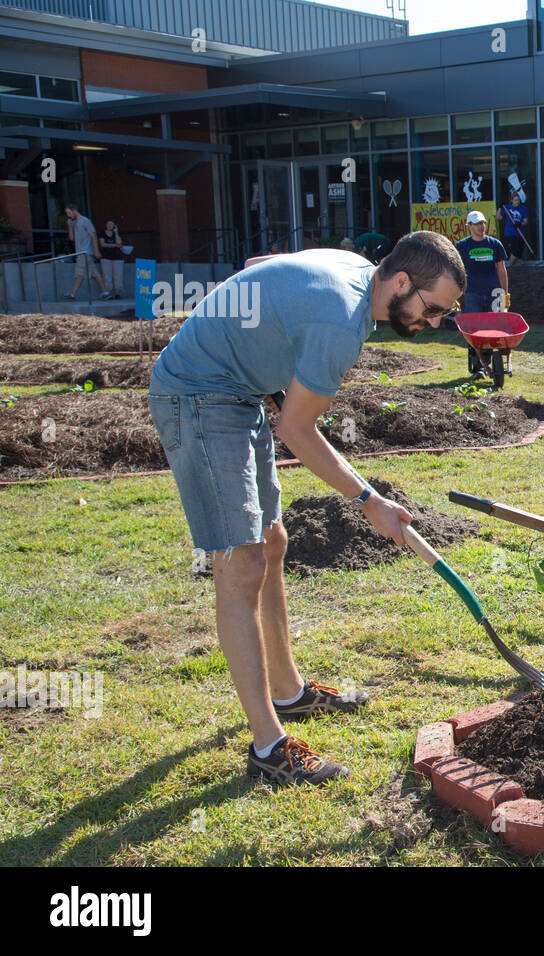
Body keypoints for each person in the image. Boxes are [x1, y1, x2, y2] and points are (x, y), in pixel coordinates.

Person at [147, 232, 466, 786]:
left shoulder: (355, 269)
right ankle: (270, 749)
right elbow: (297, 429)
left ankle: (288, 691)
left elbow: (259, 263)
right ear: (400, 282)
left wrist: (259, 333)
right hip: (197, 392)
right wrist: (370, 501)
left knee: (273, 542)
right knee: (241, 560)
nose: (434, 322)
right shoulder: (340, 323)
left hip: (240, 390)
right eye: (433, 308)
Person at [454, 210, 509, 315]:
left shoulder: (495, 244)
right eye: (477, 224)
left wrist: (505, 295)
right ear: (469, 226)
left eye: (482, 223)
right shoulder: (461, 246)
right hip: (472, 294)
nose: (481, 226)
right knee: (475, 328)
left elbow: (502, 270)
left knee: (495, 326)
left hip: (494, 293)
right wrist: (455, 298)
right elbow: (456, 272)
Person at [63, 203, 112, 300]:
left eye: (69, 212)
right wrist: (69, 226)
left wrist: (96, 250)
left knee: (79, 273)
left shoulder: (85, 221)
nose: (68, 215)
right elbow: (72, 238)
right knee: (94, 273)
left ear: (74, 210)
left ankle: (72, 294)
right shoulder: (74, 223)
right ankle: (105, 292)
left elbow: (93, 235)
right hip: (81, 251)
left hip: (85, 252)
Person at [496, 193, 530, 267]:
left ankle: (516, 271)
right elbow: (498, 218)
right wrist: (499, 208)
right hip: (510, 233)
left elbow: (525, 221)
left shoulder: (523, 208)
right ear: (512, 200)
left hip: (520, 233)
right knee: (515, 251)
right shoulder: (507, 208)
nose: (517, 201)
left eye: (518, 200)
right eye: (516, 200)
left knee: (518, 255)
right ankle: (509, 268)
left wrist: (520, 224)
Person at [98, 218, 125, 299]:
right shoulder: (102, 233)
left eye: (111, 224)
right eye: (108, 224)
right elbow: (103, 244)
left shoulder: (116, 234)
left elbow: (119, 243)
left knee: (118, 275)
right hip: (106, 257)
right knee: (107, 275)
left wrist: (116, 232)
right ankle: (109, 293)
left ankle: (117, 292)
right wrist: (115, 245)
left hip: (117, 257)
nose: (109, 226)